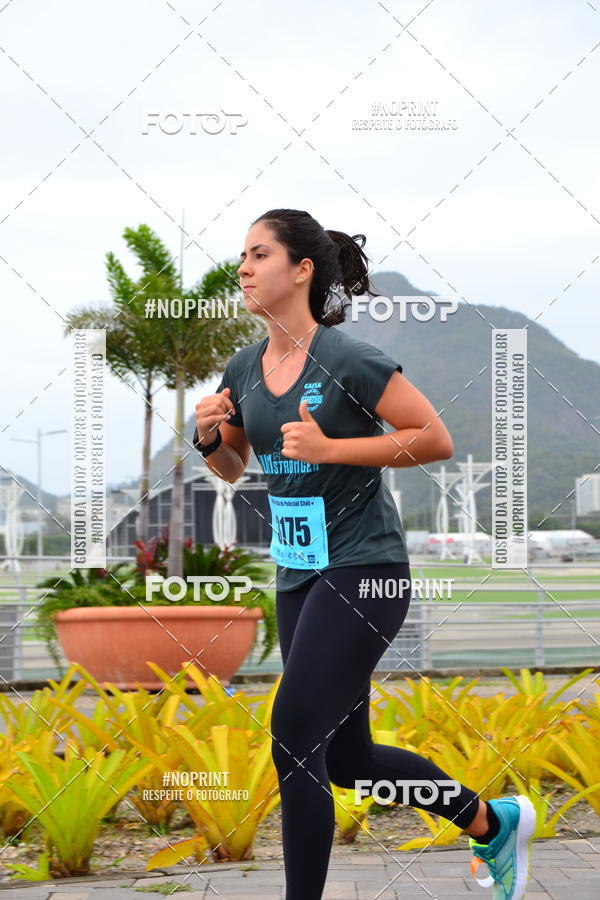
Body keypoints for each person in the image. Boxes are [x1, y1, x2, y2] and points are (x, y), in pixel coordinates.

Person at [193, 208, 535, 900]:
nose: (244, 267)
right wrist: (208, 441)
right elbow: (234, 469)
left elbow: (433, 437)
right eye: (242, 255)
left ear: (302, 269)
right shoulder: (243, 367)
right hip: (298, 575)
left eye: (260, 254)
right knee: (346, 758)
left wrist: (332, 449)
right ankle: (492, 823)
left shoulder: (347, 358)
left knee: (292, 732)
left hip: (364, 570)